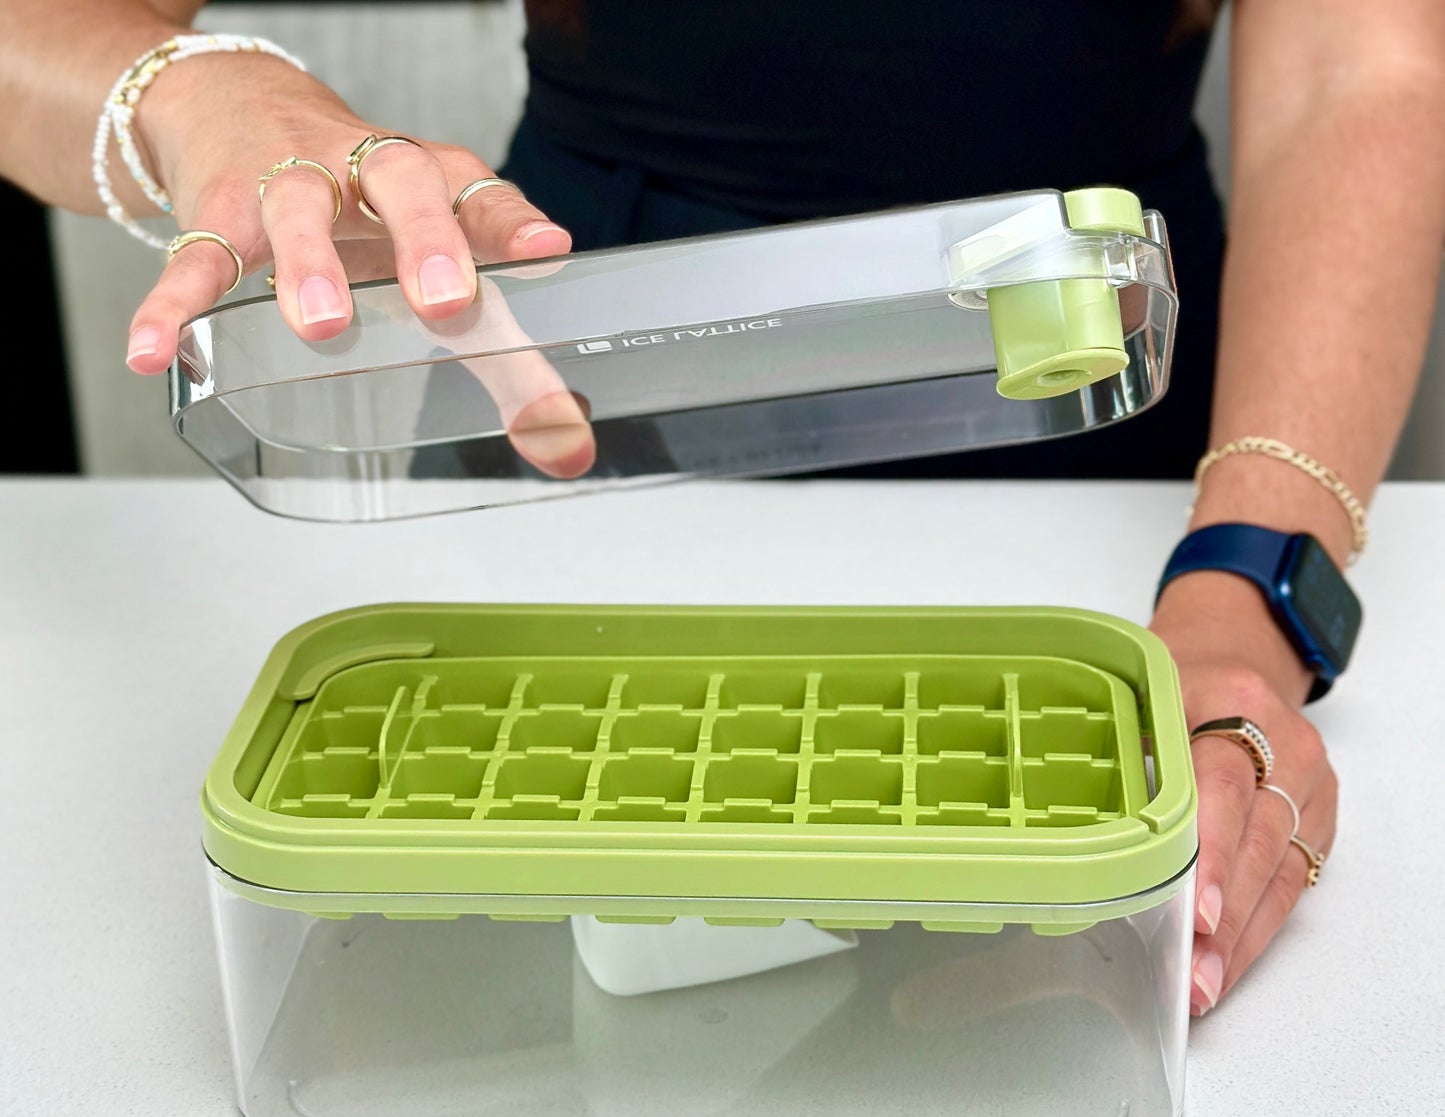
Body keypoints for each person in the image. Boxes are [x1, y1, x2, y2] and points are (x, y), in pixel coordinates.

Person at [3, 1, 1443, 1017]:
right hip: (568, 406)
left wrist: (1248, 584)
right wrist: (194, 93)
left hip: (1106, 425)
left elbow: (1357, 63)